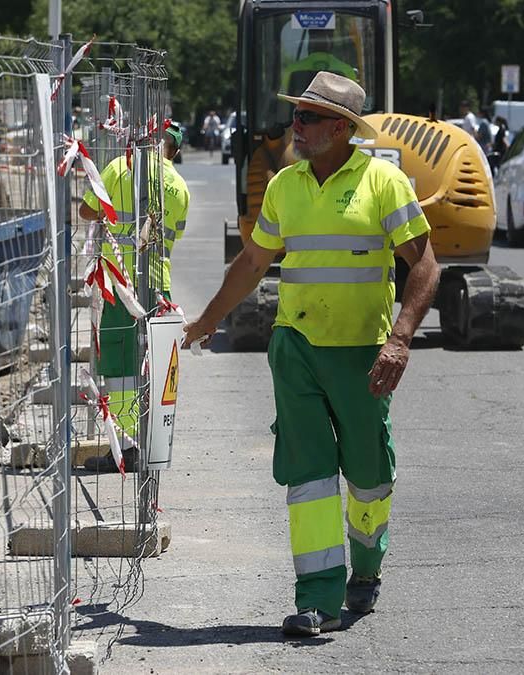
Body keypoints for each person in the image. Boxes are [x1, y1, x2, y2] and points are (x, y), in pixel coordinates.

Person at [181, 71, 440, 637]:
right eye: (296, 114)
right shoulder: (285, 185)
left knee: (368, 477)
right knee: (310, 477)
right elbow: (253, 263)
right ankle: (317, 599)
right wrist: (207, 320)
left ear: (343, 128)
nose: (295, 125)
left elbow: (423, 264)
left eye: (309, 117)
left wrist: (400, 338)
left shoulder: (384, 183)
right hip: (295, 346)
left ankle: (365, 570)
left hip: (362, 352)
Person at [79, 122, 190, 472]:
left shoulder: (120, 167)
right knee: (155, 366)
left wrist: (110, 217)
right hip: (159, 285)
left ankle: (128, 448)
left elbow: (86, 209)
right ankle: (155, 444)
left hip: (118, 285)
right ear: (176, 150)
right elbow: (176, 234)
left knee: (120, 365)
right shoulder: (179, 186)